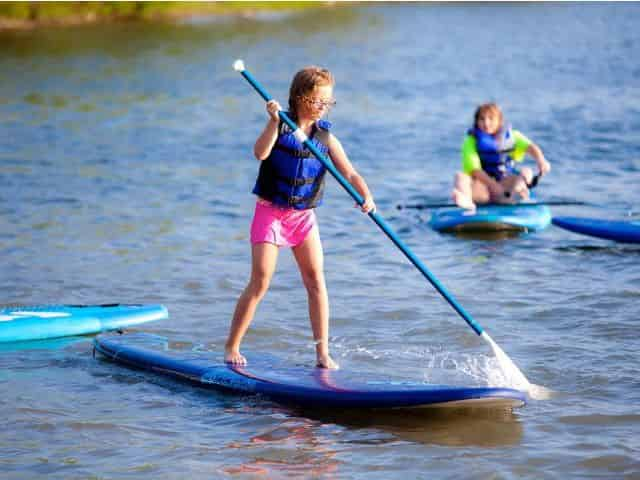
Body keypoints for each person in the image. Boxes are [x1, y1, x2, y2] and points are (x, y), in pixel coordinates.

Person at [225, 66, 376, 370]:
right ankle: (232, 346)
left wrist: (366, 196)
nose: (323, 107)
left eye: (328, 102)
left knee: (316, 281)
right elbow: (260, 153)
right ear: (299, 97)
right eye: (318, 101)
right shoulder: (280, 126)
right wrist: (272, 121)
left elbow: (349, 172)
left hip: (303, 218)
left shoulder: (325, 137)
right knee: (261, 281)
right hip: (270, 212)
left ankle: (322, 353)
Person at [451, 103, 551, 210]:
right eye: (482, 119)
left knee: (527, 172)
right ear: (476, 122)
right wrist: (493, 186)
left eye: (491, 118)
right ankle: (466, 201)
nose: (486, 123)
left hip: (505, 189)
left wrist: (541, 160)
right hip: (483, 190)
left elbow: (530, 147)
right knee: (460, 176)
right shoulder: (471, 141)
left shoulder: (512, 136)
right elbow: (474, 170)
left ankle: (517, 195)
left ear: (499, 121)